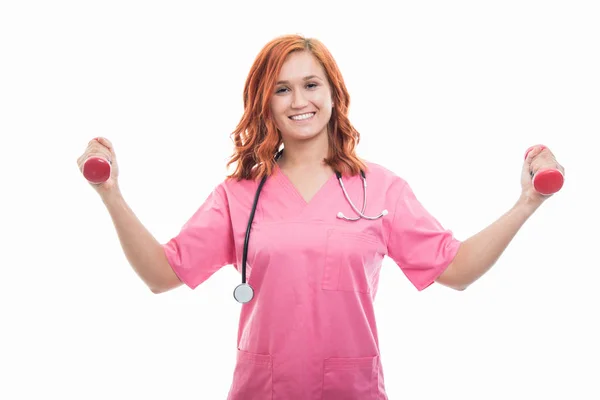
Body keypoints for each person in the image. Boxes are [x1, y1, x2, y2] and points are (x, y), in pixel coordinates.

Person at [77, 34, 564, 399]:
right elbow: (162, 275)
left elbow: (455, 270)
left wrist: (527, 203)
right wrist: (110, 192)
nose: (299, 101)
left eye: (311, 84)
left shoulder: (381, 187)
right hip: (261, 391)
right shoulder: (237, 195)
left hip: (353, 389)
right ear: (265, 103)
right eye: (282, 90)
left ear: (334, 93)